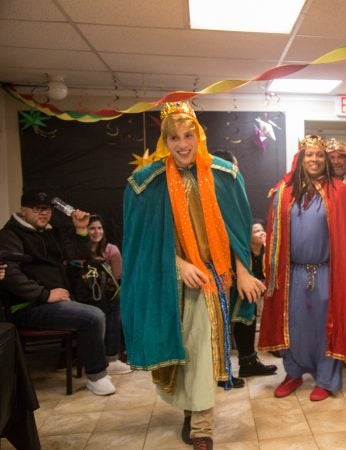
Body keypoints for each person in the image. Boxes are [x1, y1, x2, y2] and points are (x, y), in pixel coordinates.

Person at [121, 101, 265, 449]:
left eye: (188, 135)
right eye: (174, 138)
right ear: (165, 141)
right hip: (170, 282)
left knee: (202, 350)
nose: (182, 144)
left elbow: (238, 229)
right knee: (183, 351)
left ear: (199, 135)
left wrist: (244, 270)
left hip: (215, 280)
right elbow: (143, 242)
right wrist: (177, 264)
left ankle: (201, 426)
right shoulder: (147, 183)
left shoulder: (224, 175)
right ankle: (191, 409)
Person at [258, 135, 346, 402]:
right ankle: (293, 373)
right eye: (309, 155)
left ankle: (327, 380)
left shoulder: (339, 193)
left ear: (326, 160)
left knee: (325, 327)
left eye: (320, 155)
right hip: (291, 273)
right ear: (301, 158)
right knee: (293, 326)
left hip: (326, 272)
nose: (315, 160)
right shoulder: (283, 193)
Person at [0, 191, 116, 396]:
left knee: (103, 307)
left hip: (56, 301)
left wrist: (81, 230)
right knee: (92, 316)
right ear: (23, 210)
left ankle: (104, 359)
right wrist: (44, 295)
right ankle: (97, 375)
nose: (44, 214)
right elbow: (10, 275)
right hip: (27, 306)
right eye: (38, 209)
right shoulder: (10, 235)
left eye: (47, 210)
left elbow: (77, 256)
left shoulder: (48, 233)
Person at [217, 152, 277, 382]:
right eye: (233, 166)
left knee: (247, 308)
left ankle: (248, 361)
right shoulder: (211, 192)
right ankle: (220, 371)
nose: (236, 171)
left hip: (239, 263)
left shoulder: (233, 192)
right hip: (218, 267)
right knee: (219, 317)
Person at [67, 215, 130, 375]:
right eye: (92, 228)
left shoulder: (111, 250)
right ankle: (107, 358)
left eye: (100, 228)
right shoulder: (77, 248)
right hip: (81, 295)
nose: (97, 232)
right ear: (85, 230)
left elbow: (117, 278)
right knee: (111, 306)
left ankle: (112, 357)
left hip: (104, 294)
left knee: (116, 302)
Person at [230, 219, 277, 378]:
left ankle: (249, 362)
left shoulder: (267, 250)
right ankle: (239, 365)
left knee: (248, 317)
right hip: (239, 287)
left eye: (262, 230)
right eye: (256, 231)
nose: (261, 233)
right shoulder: (242, 251)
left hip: (256, 291)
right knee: (243, 318)